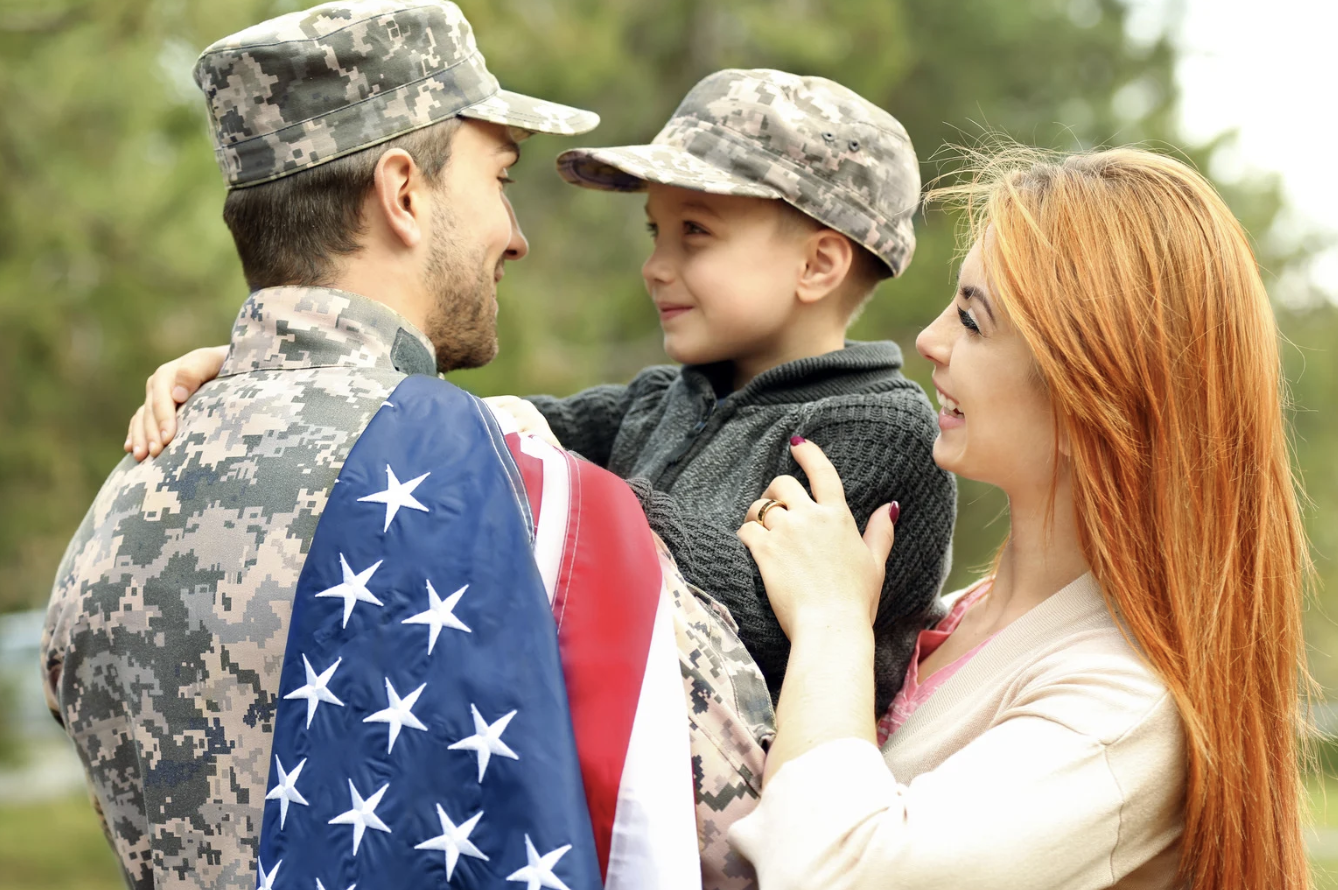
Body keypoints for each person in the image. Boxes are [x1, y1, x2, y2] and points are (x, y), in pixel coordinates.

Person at [41, 3, 769, 888]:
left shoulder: (112, 522)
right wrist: (838, 629)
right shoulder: (519, 499)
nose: (516, 235)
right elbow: (761, 845)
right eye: (499, 177)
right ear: (404, 194)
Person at [127, 68, 958, 716]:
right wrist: (296, 361)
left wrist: (582, 497)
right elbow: (476, 427)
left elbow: (761, 624)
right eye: (655, 231)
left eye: (695, 233)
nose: (655, 265)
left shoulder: (877, 429)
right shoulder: (661, 400)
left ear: (819, 264)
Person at [729, 145, 1312, 889]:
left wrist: (832, 623)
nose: (929, 340)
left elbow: (844, 874)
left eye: (972, 322)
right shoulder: (964, 616)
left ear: (1092, 392)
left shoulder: (1121, 710)